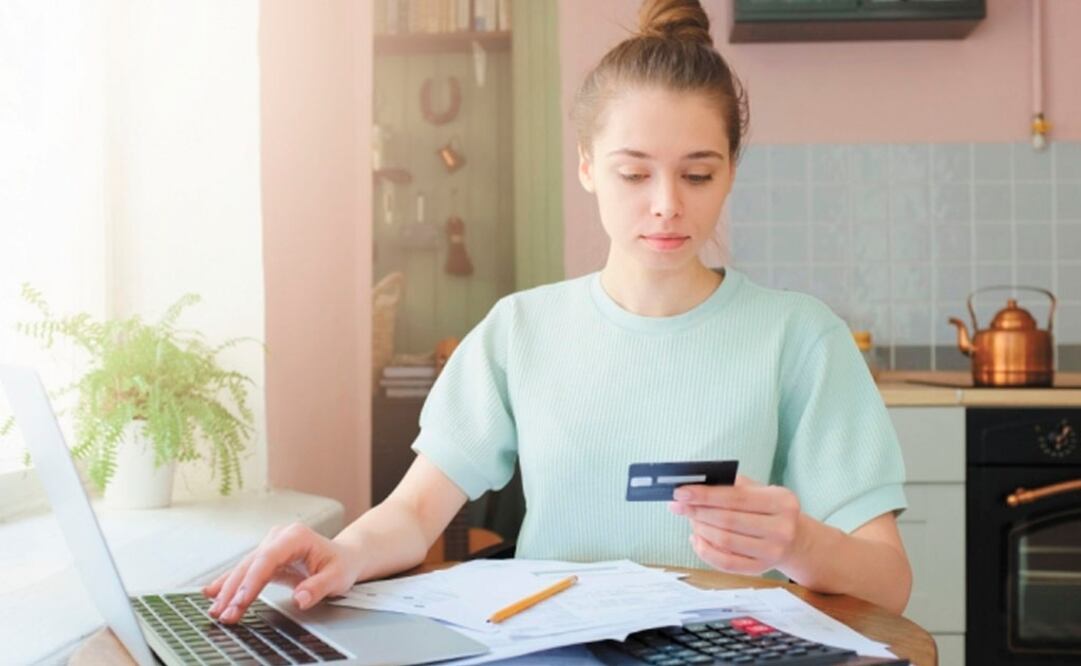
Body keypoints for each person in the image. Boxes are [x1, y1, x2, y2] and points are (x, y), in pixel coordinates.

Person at [204, 0, 912, 625]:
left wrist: (800, 545)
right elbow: (416, 513)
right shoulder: (520, 332)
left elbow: (889, 582)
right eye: (633, 173)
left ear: (730, 168)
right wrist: (341, 552)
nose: (666, 201)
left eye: (698, 173)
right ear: (585, 166)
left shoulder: (797, 337)